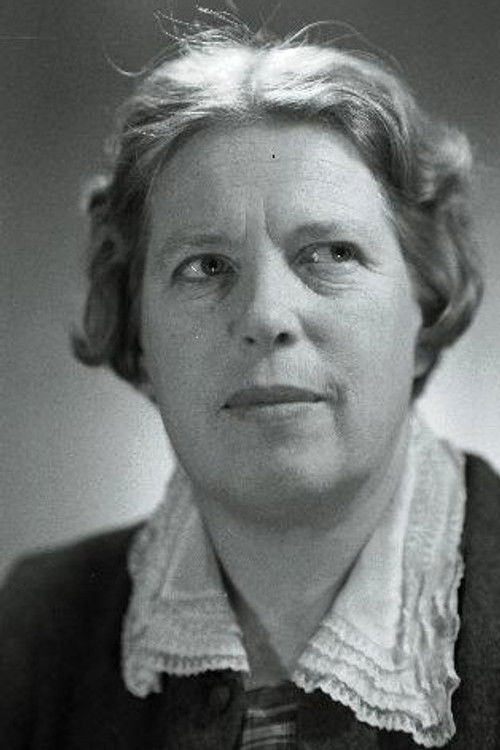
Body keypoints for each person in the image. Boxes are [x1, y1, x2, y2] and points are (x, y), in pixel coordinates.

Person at [1, 19, 499, 750]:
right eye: (205, 267)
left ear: (427, 303)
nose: (266, 316)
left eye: (330, 252)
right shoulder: (32, 632)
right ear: (137, 332)